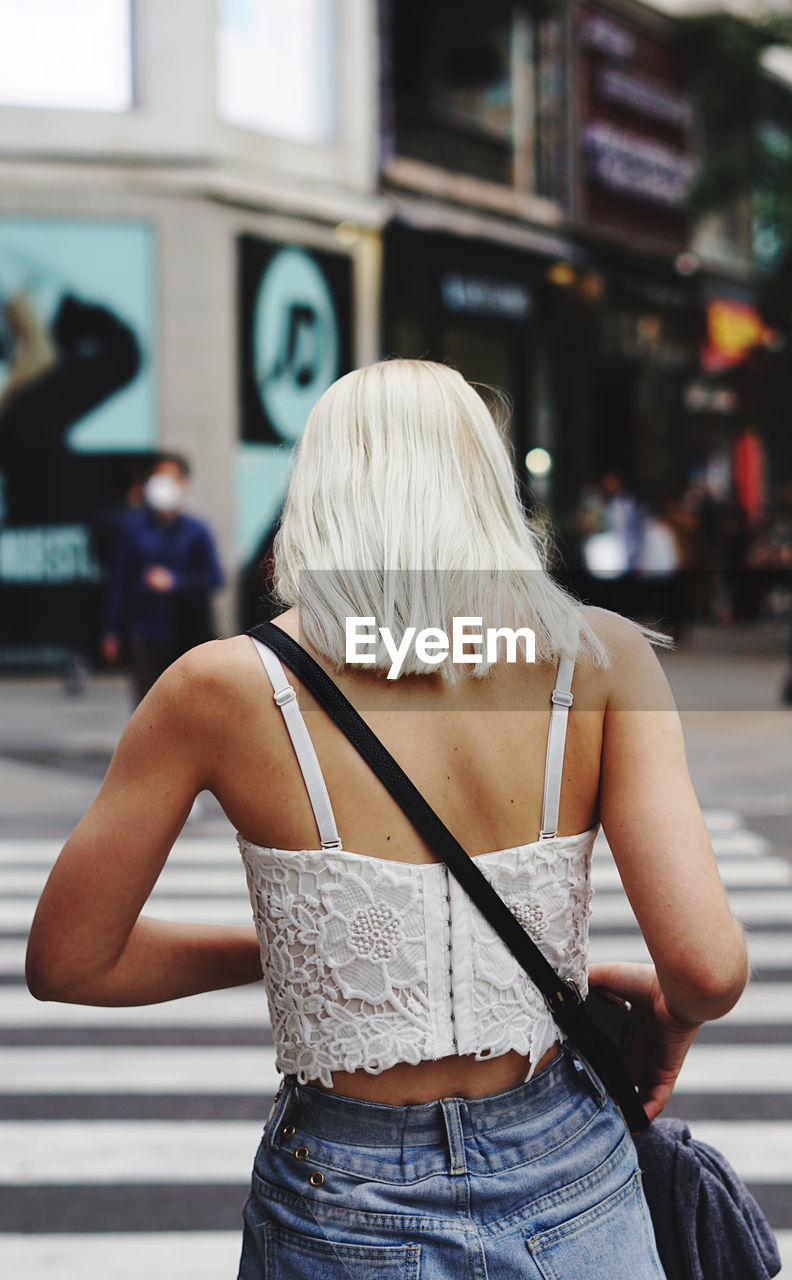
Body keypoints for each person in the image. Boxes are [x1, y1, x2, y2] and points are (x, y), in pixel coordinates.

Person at [27, 360, 748, 1279]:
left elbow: (71, 961)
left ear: (318, 490)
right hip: (567, 1167)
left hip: (341, 1192)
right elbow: (705, 967)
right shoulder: (596, 658)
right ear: (486, 486)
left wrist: (310, 950)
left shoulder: (220, 688)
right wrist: (672, 1022)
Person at [101, 451, 225, 704]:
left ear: (184, 484)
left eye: (172, 478)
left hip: (187, 634)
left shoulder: (196, 530)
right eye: (159, 477)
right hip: (145, 632)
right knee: (147, 704)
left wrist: (175, 582)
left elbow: (215, 578)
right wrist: (111, 630)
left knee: (188, 704)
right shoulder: (132, 528)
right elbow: (119, 581)